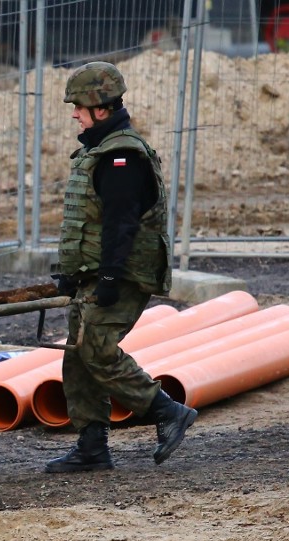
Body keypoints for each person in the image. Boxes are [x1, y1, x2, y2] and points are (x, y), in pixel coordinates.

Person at [46, 62, 197, 473]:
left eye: (78, 106)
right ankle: (92, 446)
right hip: (96, 273)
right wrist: (72, 274)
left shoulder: (121, 157)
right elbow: (91, 223)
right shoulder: (99, 151)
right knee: (79, 356)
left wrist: (110, 278)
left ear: (100, 107)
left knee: (96, 349)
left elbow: (121, 223)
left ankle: (167, 411)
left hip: (121, 274)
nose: (74, 114)